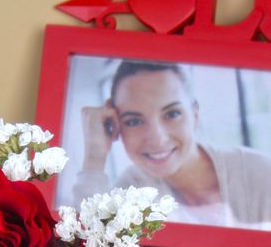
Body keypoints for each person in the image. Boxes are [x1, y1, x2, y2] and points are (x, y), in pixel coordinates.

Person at [72, 59, 271, 227]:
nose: (158, 139)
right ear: (116, 125)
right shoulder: (132, 189)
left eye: (172, 114)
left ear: (195, 114)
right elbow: (89, 242)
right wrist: (94, 156)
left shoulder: (258, 172)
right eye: (134, 121)